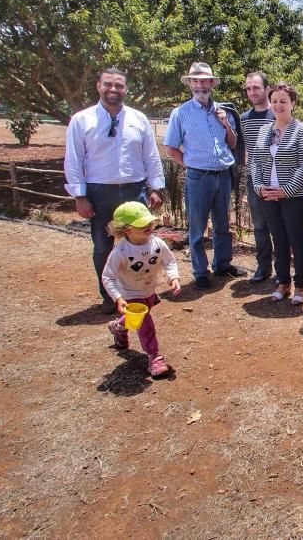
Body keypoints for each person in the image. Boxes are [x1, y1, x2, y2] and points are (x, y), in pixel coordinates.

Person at [64, 68, 166, 313]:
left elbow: (151, 155)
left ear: (125, 89)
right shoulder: (82, 120)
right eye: (108, 84)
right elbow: (74, 160)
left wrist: (157, 187)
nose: (113, 89)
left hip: (135, 189)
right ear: (98, 86)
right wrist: (80, 196)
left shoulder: (138, 119)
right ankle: (110, 297)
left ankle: (143, 292)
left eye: (119, 85)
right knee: (103, 247)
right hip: (100, 192)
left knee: (142, 245)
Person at [163, 61, 246, 289]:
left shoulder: (223, 111)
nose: (200, 85)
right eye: (195, 81)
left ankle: (222, 265)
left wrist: (226, 125)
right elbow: (170, 147)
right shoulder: (180, 113)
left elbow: (232, 143)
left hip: (223, 174)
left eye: (204, 81)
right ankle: (200, 271)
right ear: (190, 84)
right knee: (198, 226)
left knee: (222, 224)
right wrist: (189, 167)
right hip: (199, 177)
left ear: (212, 84)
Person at [251, 82, 303, 306]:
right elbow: (255, 162)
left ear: (293, 104)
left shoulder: (301, 130)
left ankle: (300, 285)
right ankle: (282, 283)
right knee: (278, 240)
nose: (278, 105)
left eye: (283, 101)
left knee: (296, 240)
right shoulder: (264, 131)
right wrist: (259, 187)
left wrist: (285, 191)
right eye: (275, 101)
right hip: (268, 195)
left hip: (294, 196)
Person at [102, 201, 181, 378]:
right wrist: (117, 297)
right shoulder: (120, 252)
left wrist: (173, 277)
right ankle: (154, 357)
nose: (148, 226)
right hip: (130, 293)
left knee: (135, 319)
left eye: (148, 222)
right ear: (125, 229)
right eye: (141, 224)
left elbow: (169, 261)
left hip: (149, 290)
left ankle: (118, 327)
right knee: (145, 323)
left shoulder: (157, 243)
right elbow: (108, 276)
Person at [240, 71, 276, 283]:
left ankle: (285, 270)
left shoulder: (277, 114)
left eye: (256, 88)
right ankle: (263, 268)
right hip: (255, 180)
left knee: (279, 227)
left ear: (267, 90)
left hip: (277, 180)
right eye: (248, 88)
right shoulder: (245, 119)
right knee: (260, 227)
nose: (252, 92)